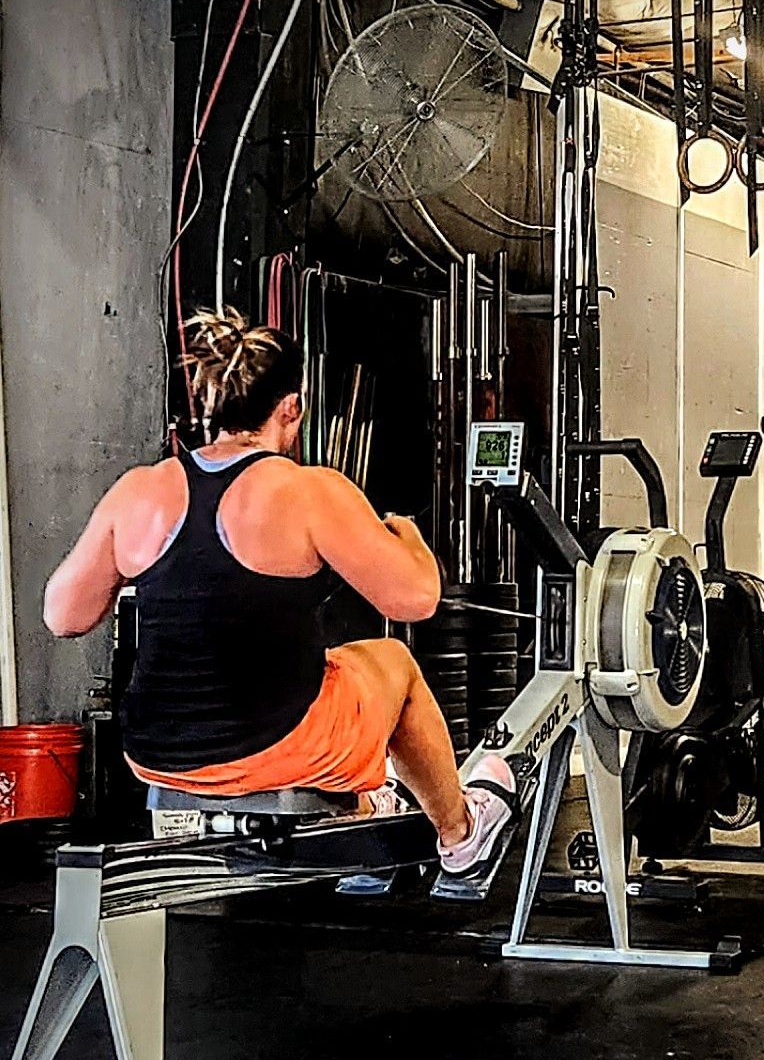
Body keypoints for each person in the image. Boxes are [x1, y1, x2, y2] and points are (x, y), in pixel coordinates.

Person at [43, 308, 513, 875]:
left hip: (156, 756)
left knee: (334, 666)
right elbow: (416, 600)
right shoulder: (306, 491)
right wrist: (409, 538)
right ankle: (460, 833)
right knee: (393, 661)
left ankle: (366, 805)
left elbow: (63, 616)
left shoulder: (140, 489)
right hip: (272, 747)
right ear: (290, 409)